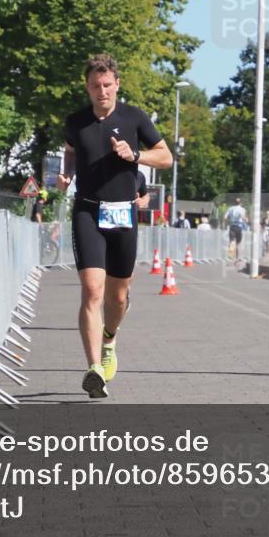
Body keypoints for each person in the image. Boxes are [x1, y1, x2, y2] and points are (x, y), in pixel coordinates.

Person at [57, 54, 172, 399]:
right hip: (87, 212)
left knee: (117, 295)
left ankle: (109, 339)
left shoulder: (134, 118)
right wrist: (67, 175)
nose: (102, 91)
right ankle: (94, 369)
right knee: (92, 289)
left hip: (123, 215)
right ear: (87, 87)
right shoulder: (76, 121)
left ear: (117, 85)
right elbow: (70, 151)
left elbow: (166, 157)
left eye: (107, 85)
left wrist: (135, 156)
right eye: (95, 85)